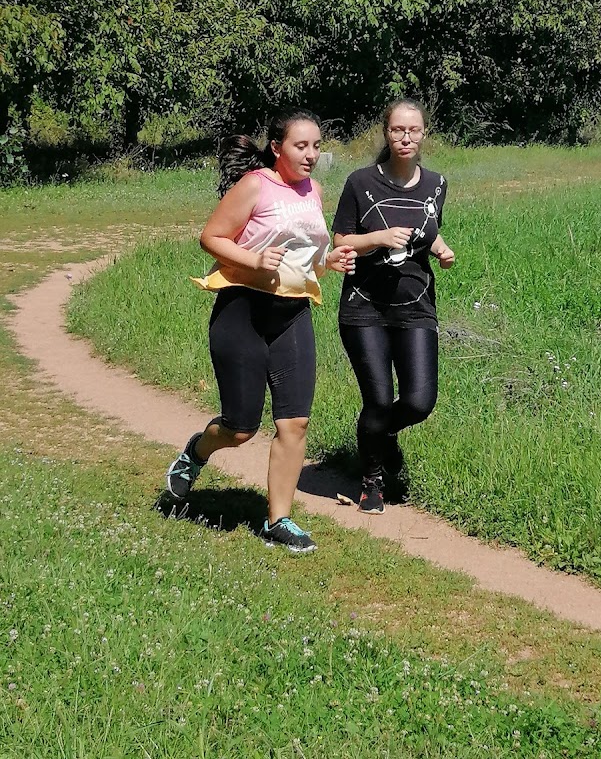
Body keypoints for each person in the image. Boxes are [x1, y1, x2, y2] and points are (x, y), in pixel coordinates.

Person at [165, 111, 355, 553]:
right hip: (242, 311)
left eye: (315, 146)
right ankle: (197, 451)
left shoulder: (314, 192)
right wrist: (253, 261)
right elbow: (210, 237)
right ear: (277, 148)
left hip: (292, 315)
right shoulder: (255, 184)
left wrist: (330, 264)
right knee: (240, 427)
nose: (310, 155)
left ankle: (279, 521)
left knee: (296, 422)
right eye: (300, 146)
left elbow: (306, 263)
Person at [332, 99, 455, 514]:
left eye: (414, 130)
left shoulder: (436, 183)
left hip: (416, 305)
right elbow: (340, 242)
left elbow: (425, 233)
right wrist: (379, 239)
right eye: (398, 130)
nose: (406, 138)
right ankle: (372, 481)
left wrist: (441, 249)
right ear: (386, 133)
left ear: (424, 134)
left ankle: (376, 436)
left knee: (420, 401)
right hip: (364, 307)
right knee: (380, 400)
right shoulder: (360, 182)